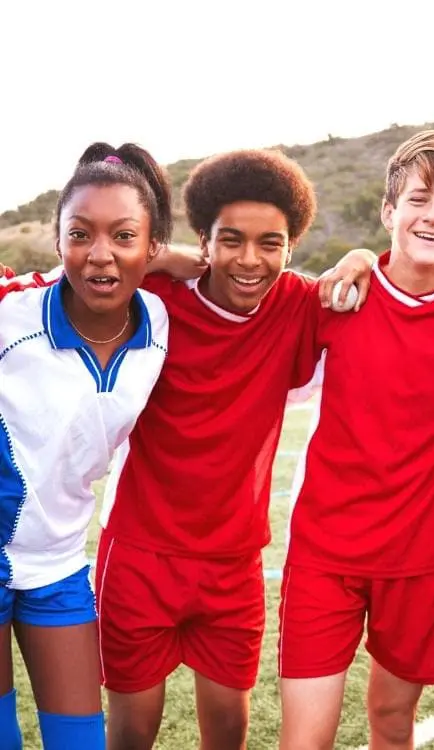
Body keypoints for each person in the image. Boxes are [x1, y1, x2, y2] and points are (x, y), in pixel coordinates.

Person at [91, 148, 377, 750]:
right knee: (133, 730)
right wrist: (154, 255)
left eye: (270, 243)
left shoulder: (300, 305)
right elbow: (90, 264)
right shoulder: (156, 301)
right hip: (141, 552)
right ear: (204, 241)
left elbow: (387, 295)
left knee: (228, 730)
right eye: (230, 240)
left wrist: (364, 256)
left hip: (234, 562)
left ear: (291, 248)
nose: (249, 260)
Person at [277, 128, 434, 750]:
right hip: (325, 551)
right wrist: (359, 257)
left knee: (392, 721)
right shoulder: (338, 297)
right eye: (419, 199)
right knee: (306, 738)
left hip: (424, 557)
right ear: (389, 211)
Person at [0, 143, 171, 749]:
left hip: (60, 562)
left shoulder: (160, 322)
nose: (100, 253)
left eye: (124, 236)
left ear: (153, 248)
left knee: (80, 741)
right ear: (58, 243)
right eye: (80, 234)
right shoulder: (13, 315)